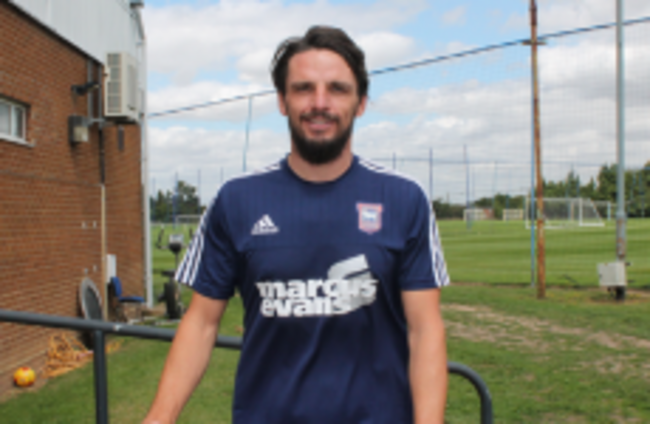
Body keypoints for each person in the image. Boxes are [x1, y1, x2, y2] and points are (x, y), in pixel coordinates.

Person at [144, 25, 449, 424]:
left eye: (337, 89)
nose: (319, 103)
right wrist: (159, 418)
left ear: (360, 103)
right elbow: (201, 323)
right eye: (304, 88)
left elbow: (424, 330)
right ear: (282, 101)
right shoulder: (236, 200)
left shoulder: (404, 199)